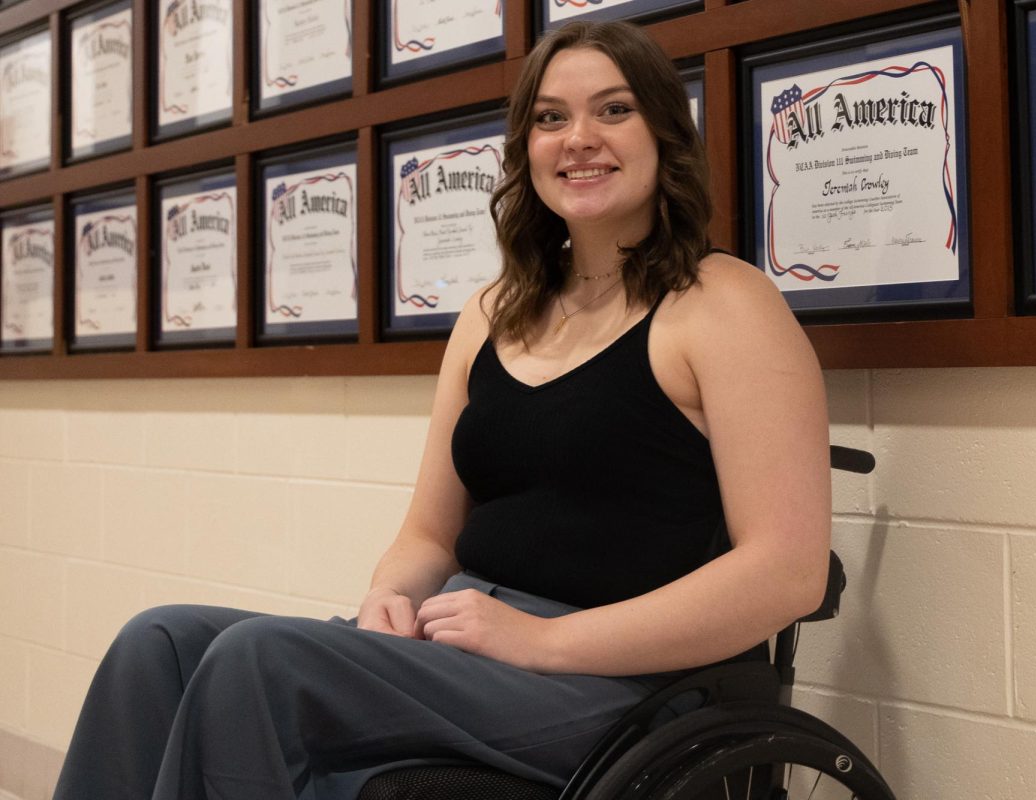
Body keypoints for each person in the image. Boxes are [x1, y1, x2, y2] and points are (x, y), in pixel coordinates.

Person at [52, 19, 830, 800]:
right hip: (473, 646)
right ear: (526, 145)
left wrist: (545, 640)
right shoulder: (496, 310)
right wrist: (389, 599)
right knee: (158, 644)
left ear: (665, 133)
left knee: (258, 662)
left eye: (614, 110)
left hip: (626, 686)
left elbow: (786, 573)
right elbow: (429, 535)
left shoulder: (723, 304)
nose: (579, 138)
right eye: (552, 117)